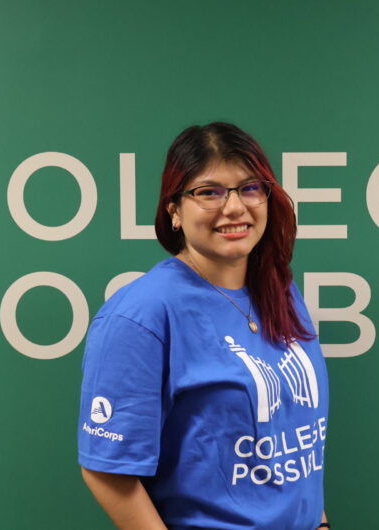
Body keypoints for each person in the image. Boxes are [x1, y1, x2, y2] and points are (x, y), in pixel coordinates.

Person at [77, 122, 330, 529]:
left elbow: (296, 439)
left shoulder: (279, 290)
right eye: (208, 192)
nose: (234, 208)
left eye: (250, 187)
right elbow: (107, 470)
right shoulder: (141, 314)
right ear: (173, 209)